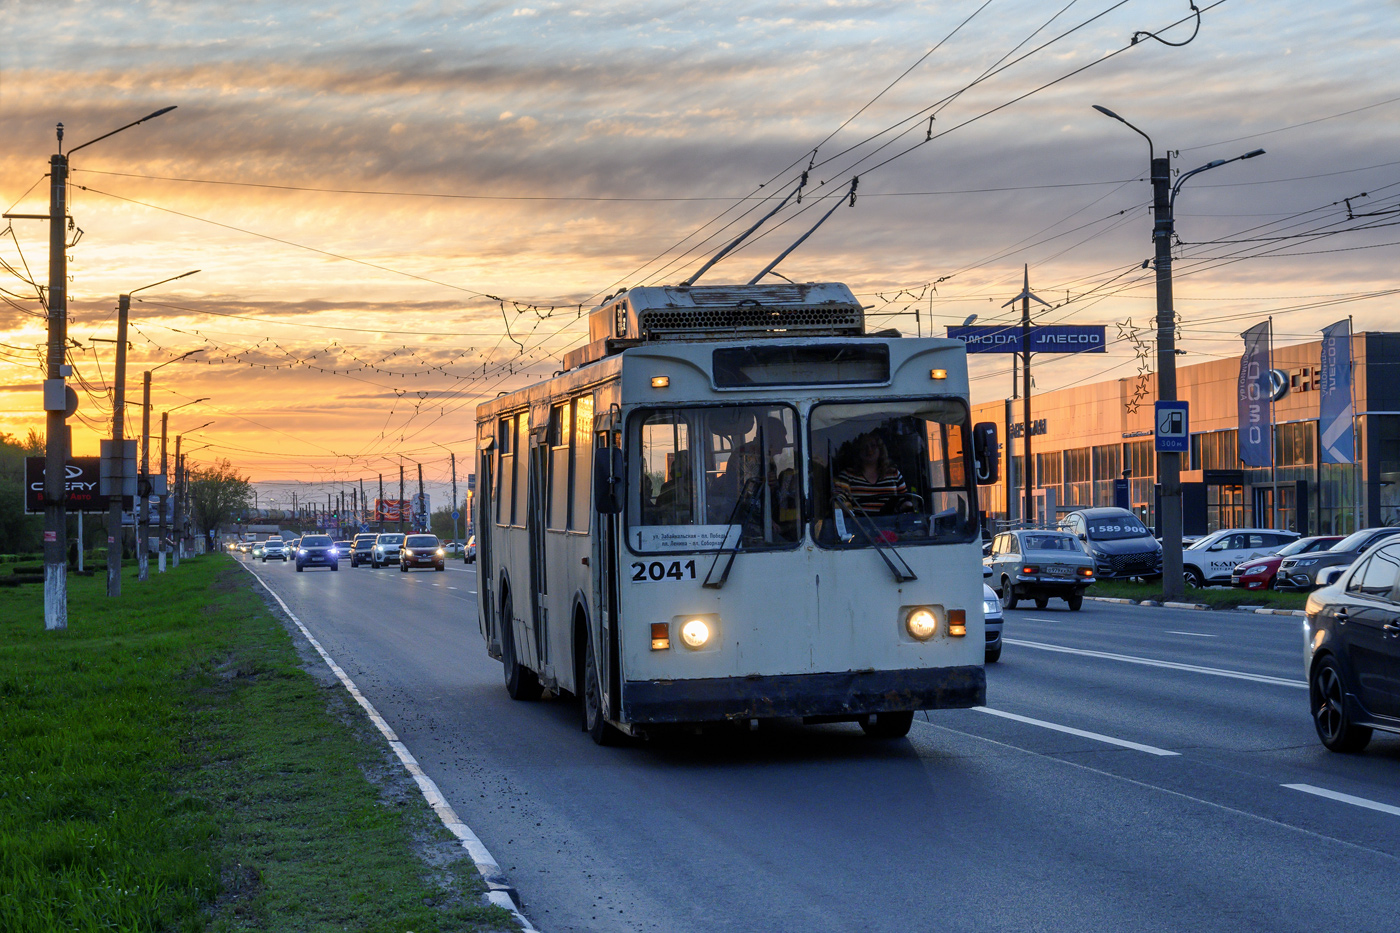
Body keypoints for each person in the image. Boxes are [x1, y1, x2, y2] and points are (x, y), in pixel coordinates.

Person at [834, 432, 909, 513]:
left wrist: (907, 506)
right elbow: (839, 500)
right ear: (858, 451)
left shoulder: (894, 474)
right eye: (864, 447)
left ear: (880, 449)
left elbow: (905, 500)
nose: (869, 450)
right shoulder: (847, 475)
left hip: (891, 524)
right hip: (857, 525)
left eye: (873, 446)